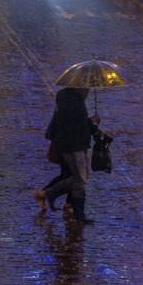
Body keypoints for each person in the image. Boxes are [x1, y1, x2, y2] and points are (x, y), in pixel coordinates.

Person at [42, 87, 100, 224]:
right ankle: (78, 215)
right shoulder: (72, 102)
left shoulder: (73, 100)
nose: (88, 92)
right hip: (74, 146)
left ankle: (51, 193)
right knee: (80, 180)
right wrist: (90, 121)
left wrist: (92, 126)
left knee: (80, 178)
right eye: (87, 89)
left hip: (77, 144)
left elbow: (79, 122)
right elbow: (74, 125)